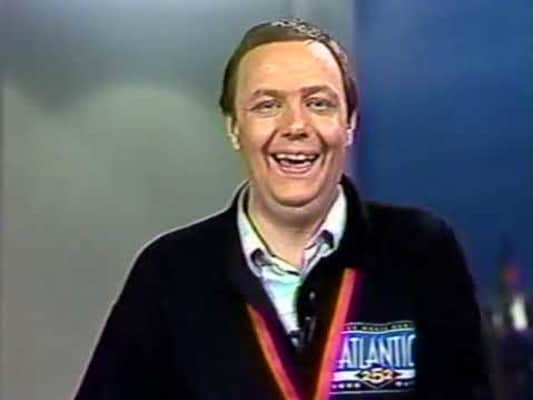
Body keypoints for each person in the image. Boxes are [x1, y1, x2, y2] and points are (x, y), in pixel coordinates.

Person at [75, 18, 491, 399]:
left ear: (349, 123)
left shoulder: (421, 251)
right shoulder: (169, 272)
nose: (295, 126)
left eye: (319, 103)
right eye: (267, 105)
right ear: (234, 127)